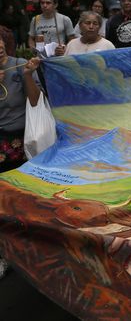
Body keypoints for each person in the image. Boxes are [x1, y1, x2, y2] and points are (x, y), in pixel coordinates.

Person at [0, 39, 41, 280]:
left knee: (22, 198)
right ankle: (5, 253)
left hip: (20, 143)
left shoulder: (20, 65)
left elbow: (34, 100)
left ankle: (29, 249)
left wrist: (27, 75)